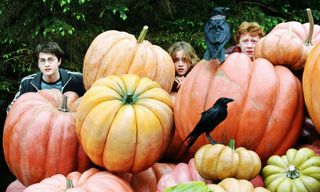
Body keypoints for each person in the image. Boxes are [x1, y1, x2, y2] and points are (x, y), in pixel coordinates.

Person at [7, 41, 86, 112]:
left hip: (70, 124)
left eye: (50, 59)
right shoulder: (28, 83)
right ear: (38, 63)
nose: (46, 64)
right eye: (42, 60)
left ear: (59, 61)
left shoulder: (77, 79)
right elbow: (11, 109)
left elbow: (91, 103)